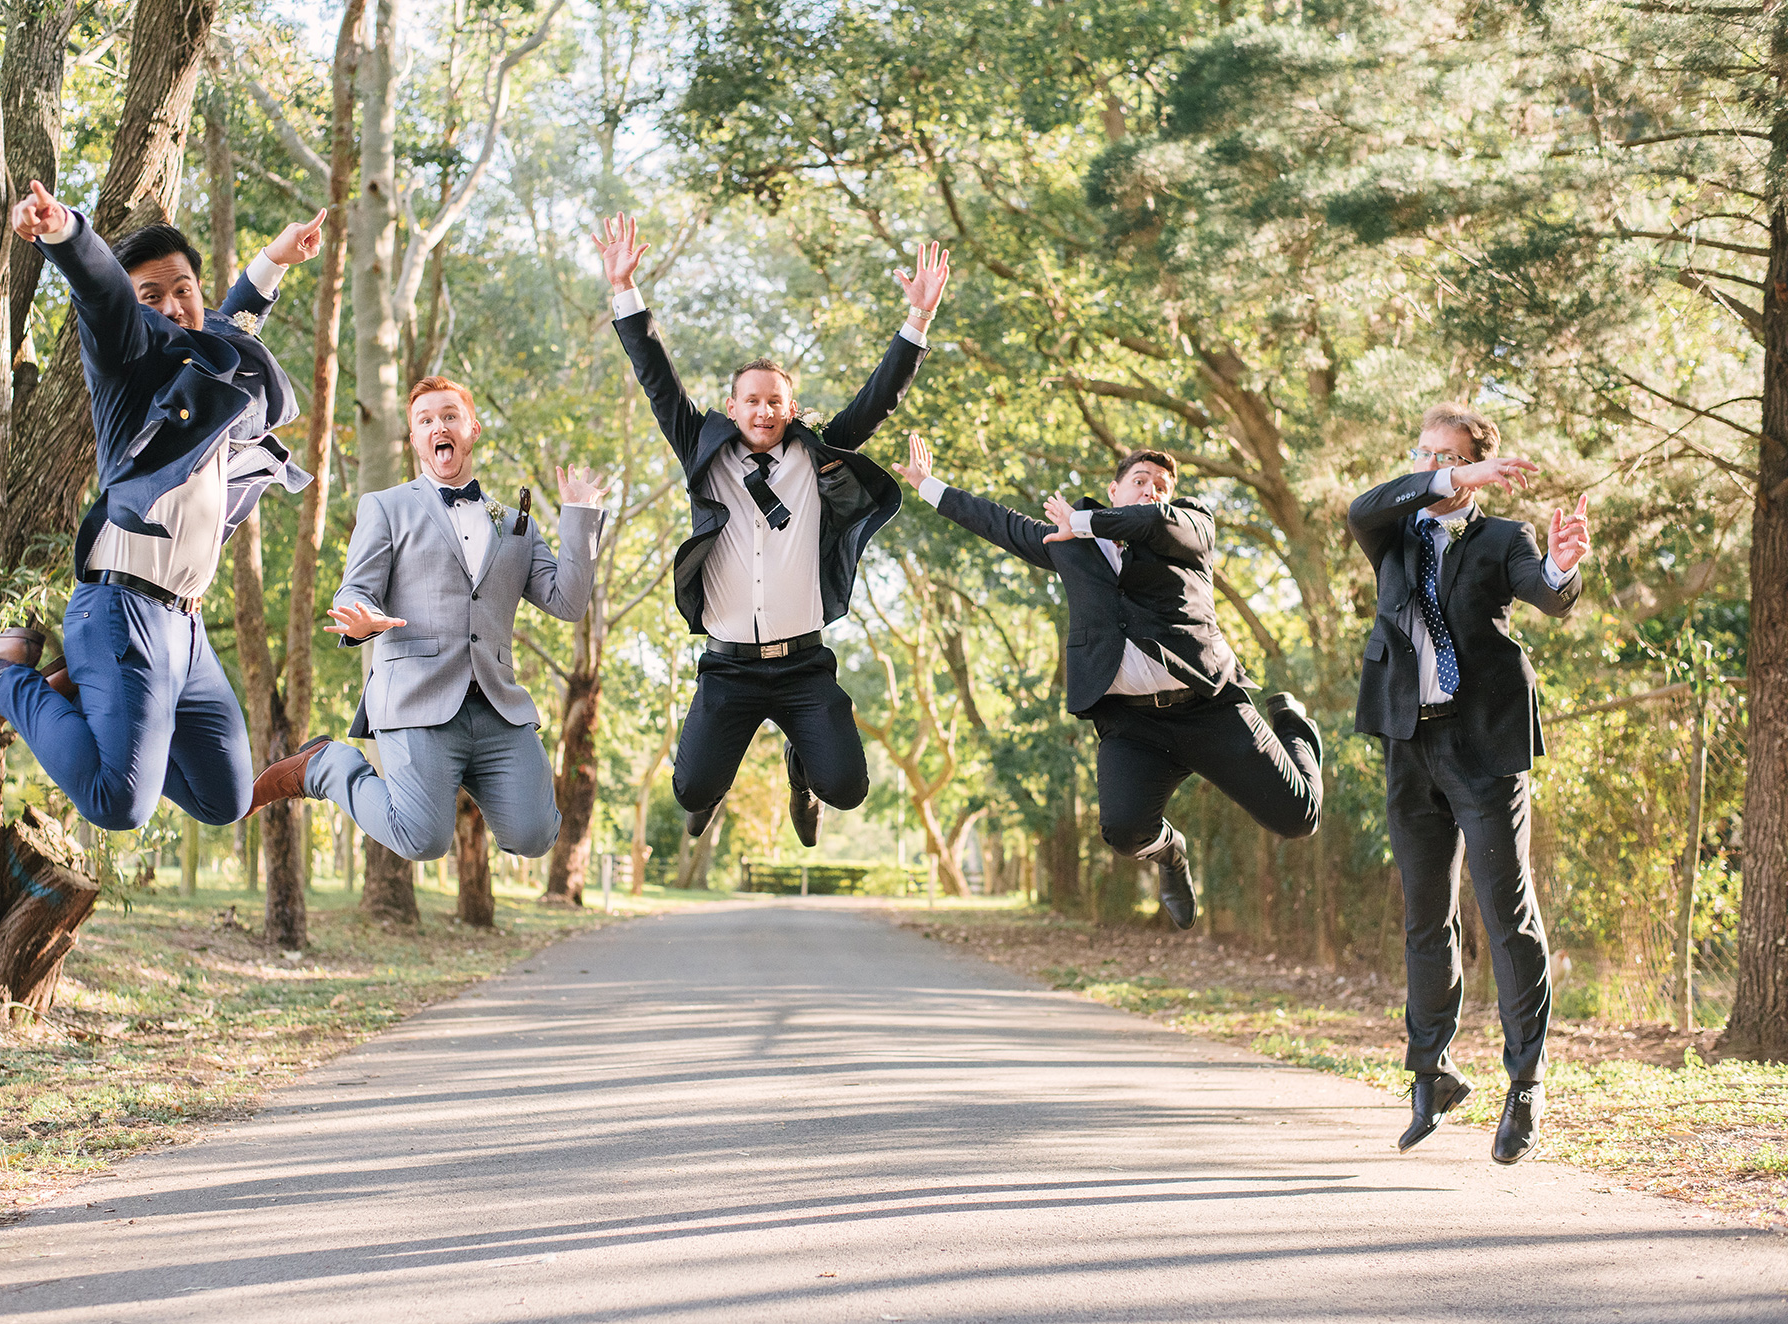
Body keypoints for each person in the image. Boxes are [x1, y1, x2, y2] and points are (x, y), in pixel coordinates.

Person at [0, 181, 321, 830]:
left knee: (225, 801)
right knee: (119, 803)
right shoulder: (124, 363)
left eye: (183, 290)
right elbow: (101, 289)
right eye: (153, 296)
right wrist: (62, 230)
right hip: (121, 612)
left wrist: (275, 259)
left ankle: (95, 697)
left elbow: (236, 317)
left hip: (186, 633)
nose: (172, 306)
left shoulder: (211, 362)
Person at [591, 213, 949, 846]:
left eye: (774, 401)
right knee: (691, 791)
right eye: (750, 400)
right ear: (732, 408)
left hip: (804, 666)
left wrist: (916, 321)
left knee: (848, 787)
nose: (762, 410)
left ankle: (801, 773)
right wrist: (624, 288)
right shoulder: (704, 451)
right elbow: (656, 378)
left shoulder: (819, 458)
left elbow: (879, 397)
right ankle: (716, 775)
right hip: (727, 669)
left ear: (791, 408)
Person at [897, 433, 1323, 928]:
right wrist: (928, 486)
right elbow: (1001, 524)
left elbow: (1156, 520)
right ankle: (1173, 855)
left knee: (1299, 820)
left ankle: (1294, 724)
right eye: (1139, 481)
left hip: (1208, 709)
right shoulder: (1072, 546)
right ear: (1114, 489)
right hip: (1133, 725)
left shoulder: (1189, 528)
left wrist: (1080, 521)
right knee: (1122, 831)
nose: (1151, 491)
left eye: (1160, 485)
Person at [1349, 404, 1590, 1165]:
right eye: (1421, 452)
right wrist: (1448, 475)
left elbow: (1546, 592)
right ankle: (1431, 1071)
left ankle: (1526, 1081)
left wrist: (1560, 565)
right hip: (1406, 740)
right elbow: (1362, 505)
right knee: (1426, 914)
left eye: (1443, 455)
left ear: (1484, 462)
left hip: (1482, 743)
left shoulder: (1501, 536)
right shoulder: (1392, 528)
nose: (1425, 464)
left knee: (1504, 909)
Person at [245, 376, 607, 861]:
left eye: (450, 416)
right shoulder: (386, 506)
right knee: (424, 840)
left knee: (535, 835)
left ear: (472, 429)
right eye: (426, 420)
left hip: (498, 704)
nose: (440, 425)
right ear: (415, 439)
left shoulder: (514, 519)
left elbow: (567, 602)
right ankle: (326, 766)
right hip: (417, 698)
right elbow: (356, 588)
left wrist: (580, 518)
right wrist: (364, 618)